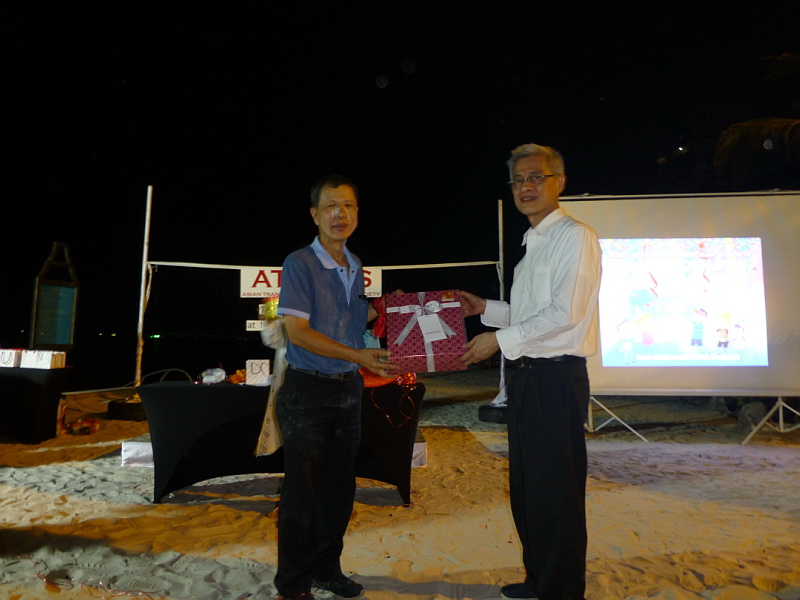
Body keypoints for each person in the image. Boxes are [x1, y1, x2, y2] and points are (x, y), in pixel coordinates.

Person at [460, 144, 602, 600]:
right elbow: (529, 315)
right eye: (519, 180)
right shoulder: (531, 245)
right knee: (529, 489)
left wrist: (496, 341)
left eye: (536, 177)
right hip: (526, 379)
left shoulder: (574, 237)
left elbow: (565, 313)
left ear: (559, 182)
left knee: (556, 492)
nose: (526, 187)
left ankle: (561, 590)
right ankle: (540, 580)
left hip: (555, 380)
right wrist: (485, 309)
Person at [273, 174, 396, 600]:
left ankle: (327, 570)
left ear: (357, 213)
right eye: (330, 206)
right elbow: (298, 332)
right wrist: (359, 356)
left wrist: (386, 309)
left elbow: (349, 322)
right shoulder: (299, 263)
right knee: (301, 494)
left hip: (347, 391)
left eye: (347, 206)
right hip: (306, 393)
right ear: (314, 214)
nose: (339, 214)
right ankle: (292, 585)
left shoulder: (355, 264)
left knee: (339, 490)